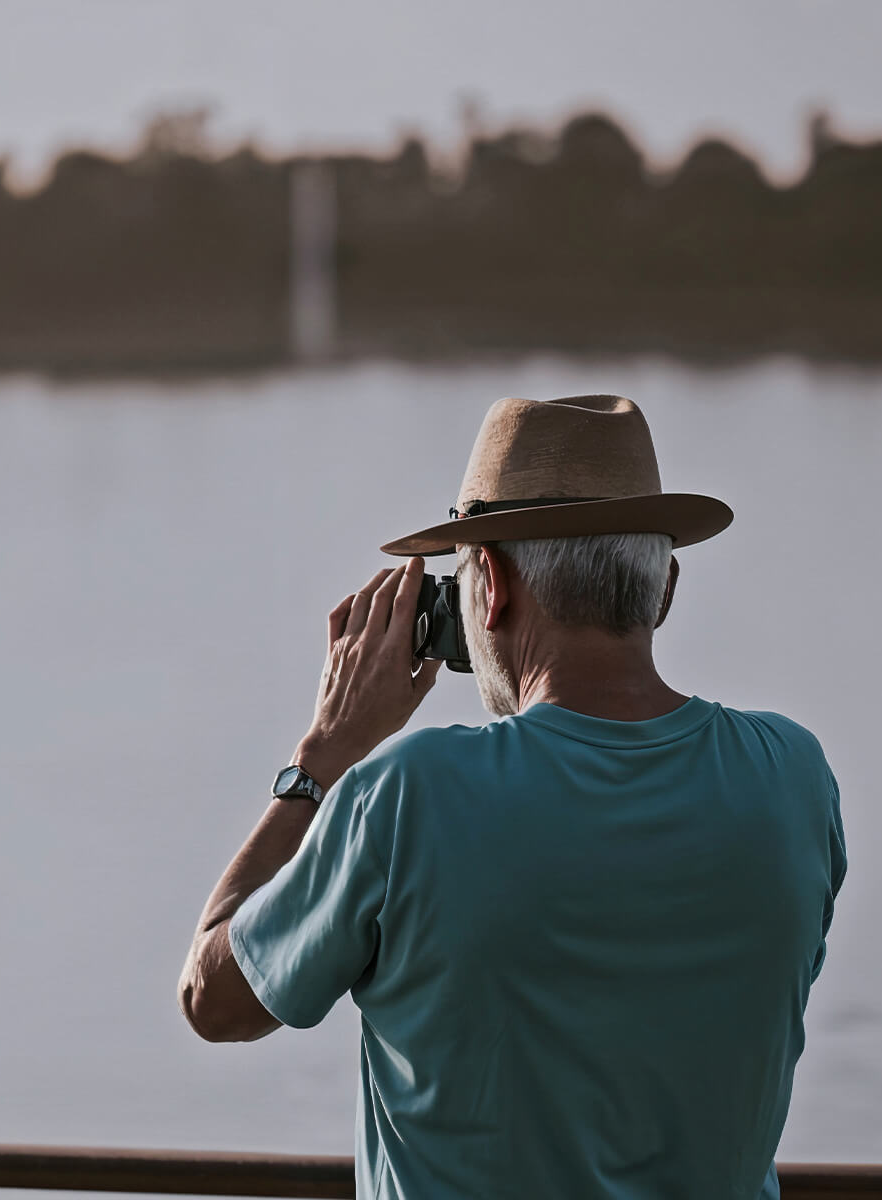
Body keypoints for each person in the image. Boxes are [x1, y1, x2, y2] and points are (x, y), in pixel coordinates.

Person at [177, 394, 846, 1199]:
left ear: (488, 585)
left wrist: (321, 758)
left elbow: (214, 999)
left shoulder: (407, 797)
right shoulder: (791, 777)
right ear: (665, 587)